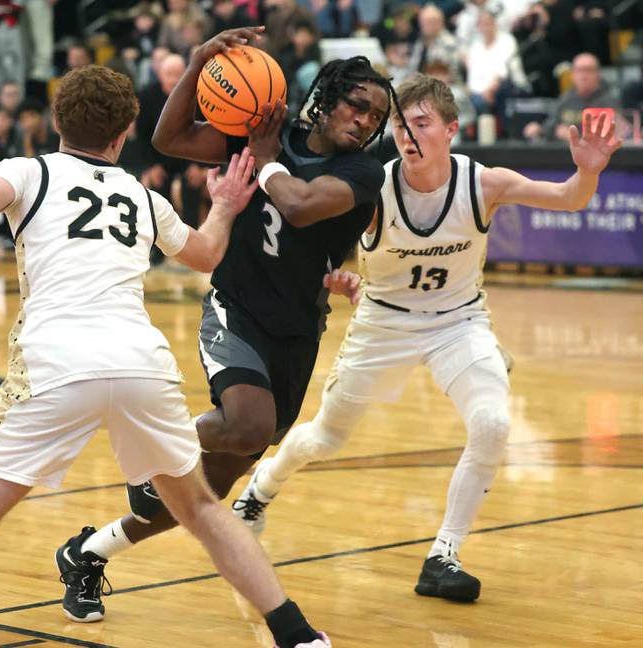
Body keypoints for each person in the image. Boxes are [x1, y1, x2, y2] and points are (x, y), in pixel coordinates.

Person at [0, 64, 330, 648]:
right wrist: (224, 206)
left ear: (55, 122)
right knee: (202, 510)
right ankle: (299, 637)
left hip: (57, 366)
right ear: (124, 133)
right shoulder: (141, 196)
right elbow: (203, 255)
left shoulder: (29, 172)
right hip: (139, 366)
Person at [56, 26, 401, 627]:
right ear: (327, 96)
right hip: (236, 307)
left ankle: (86, 552)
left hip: (297, 330)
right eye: (357, 104)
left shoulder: (364, 171)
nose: (367, 120)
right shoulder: (265, 129)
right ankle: (155, 451)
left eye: (376, 114)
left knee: (200, 496)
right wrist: (197, 63)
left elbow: (298, 204)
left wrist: (265, 164)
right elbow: (169, 137)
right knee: (248, 424)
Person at [232, 72, 622, 602]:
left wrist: (588, 173)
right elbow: (316, 253)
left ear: (451, 130)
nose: (407, 136)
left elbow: (569, 198)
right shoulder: (372, 186)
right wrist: (337, 277)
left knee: (492, 421)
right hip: (383, 322)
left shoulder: (482, 183)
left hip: (458, 321)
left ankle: (444, 554)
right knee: (325, 437)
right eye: (398, 125)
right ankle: (261, 488)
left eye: (420, 124)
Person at [523, 52, 617, 142]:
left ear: (598, 74)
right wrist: (539, 129)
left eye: (589, 70)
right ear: (573, 74)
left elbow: (605, 139)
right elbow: (552, 124)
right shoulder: (566, 98)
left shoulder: (607, 101)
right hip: (560, 153)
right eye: (579, 70)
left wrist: (574, 136)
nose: (583, 76)